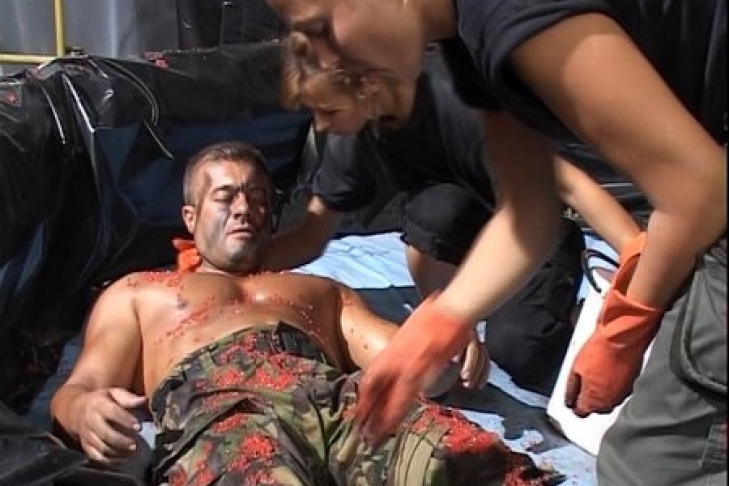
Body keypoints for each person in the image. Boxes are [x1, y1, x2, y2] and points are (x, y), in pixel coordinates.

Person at [266, 1, 727, 484]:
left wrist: (623, 326)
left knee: (649, 469)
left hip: (708, 196)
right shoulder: (464, 50)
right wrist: (443, 320)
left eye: (319, 23)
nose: (317, 51)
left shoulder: (504, 15)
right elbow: (530, 209)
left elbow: (700, 193)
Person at [48, 141, 565, 486]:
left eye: (257, 197)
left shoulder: (318, 290)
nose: (244, 208)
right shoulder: (142, 292)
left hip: (345, 406)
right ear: (191, 215)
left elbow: (408, 367)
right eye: (225, 197)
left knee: (484, 468)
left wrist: (446, 336)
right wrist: (83, 411)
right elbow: (78, 389)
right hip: (228, 416)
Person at [265, 38, 641, 395]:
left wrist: (638, 278)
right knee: (435, 209)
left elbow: (572, 186)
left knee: (520, 353)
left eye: (329, 110)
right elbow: (312, 235)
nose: (322, 126)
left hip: (533, 224)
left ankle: (570, 306)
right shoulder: (351, 132)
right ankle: (459, 300)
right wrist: (239, 261)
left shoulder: (457, 101)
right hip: (463, 228)